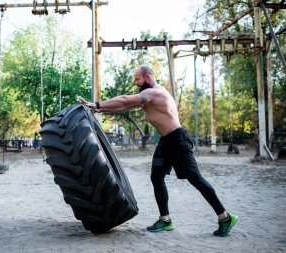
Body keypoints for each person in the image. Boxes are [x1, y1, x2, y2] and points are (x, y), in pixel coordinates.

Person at [80, 65, 238, 237]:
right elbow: (123, 107)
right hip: (166, 142)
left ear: (148, 77)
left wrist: (97, 104)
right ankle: (165, 220)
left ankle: (224, 217)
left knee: (195, 179)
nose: (137, 85)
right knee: (157, 176)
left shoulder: (156, 93)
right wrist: (100, 108)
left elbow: (125, 100)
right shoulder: (148, 96)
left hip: (178, 140)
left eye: (138, 80)